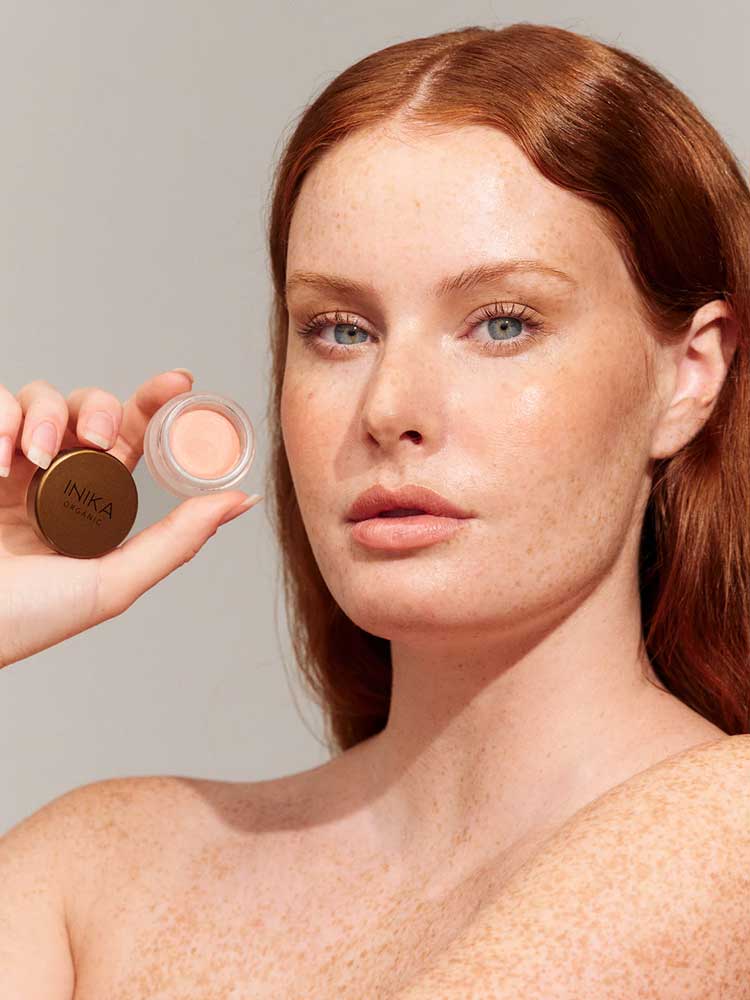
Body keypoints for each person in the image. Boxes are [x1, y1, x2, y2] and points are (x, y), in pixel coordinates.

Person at [2, 20, 749, 999]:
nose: (390, 407)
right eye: (340, 329)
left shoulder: (726, 827)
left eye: (503, 322)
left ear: (690, 373)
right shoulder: (97, 871)